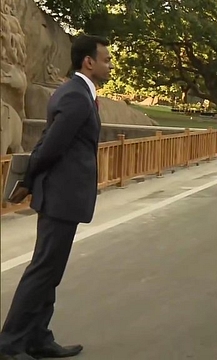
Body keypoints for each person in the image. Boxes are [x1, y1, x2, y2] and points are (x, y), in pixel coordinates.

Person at [0, 34, 113, 360]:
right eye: (105, 59)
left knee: (50, 270)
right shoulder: (76, 96)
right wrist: (29, 180)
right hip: (60, 197)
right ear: (88, 62)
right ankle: (9, 343)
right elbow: (50, 146)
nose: (109, 65)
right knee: (43, 270)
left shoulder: (78, 94)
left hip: (63, 197)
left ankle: (38, 337)